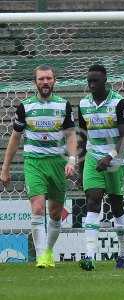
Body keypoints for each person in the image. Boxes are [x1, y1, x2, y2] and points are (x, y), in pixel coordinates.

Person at [0, 64, 77, 268]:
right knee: (37, 208)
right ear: (35, 82)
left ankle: (49, 251)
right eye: (41, 78)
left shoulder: (64, 105)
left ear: (54, 81)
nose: (45, 82)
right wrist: (5, 168)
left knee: (54, 213)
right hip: (34, 162)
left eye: (48, 78)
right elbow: (15, 138)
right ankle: (42, 256)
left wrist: (71, 160)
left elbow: (71, 135)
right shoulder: (25, 106)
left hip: (58, 163)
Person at [78, 64, 124, 271]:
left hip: (115, 160)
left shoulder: (118, 102)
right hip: (93, 157)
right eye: (89, 81)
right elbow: (82, 135)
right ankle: (90, 256)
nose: (91, 85)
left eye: (95, 81)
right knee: (93, 201)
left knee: (116, 206)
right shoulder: (83, 104)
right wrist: (81, 162)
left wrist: (110, 157)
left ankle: (123, 253)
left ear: (105, 79)